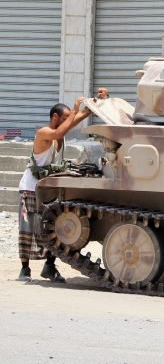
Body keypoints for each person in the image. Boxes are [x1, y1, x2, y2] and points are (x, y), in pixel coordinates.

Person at [17, 97, 92, 282]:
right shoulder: (44, 133)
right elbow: (61, 131)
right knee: (27, 229)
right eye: (65, 118)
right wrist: (75, 110)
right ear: (55, 117)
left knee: (53, 228)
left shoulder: (60, 134)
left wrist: (94, 103)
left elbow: (80, 117)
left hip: (49, 189)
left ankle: (49, 267)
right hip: (31, 188)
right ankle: (25, 269)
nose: (69, 122)